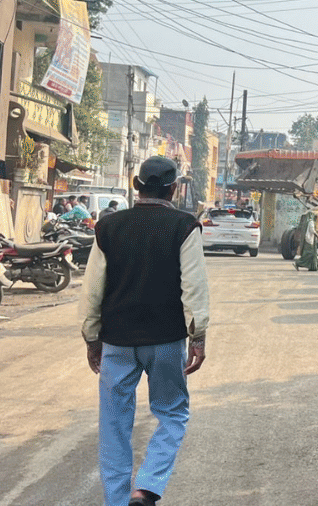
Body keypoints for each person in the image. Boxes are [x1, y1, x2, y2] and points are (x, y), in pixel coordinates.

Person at [81, 156, 210, 506]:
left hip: (117, 341)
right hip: (166, 340)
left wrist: (92, 338)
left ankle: (118, 502)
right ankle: (147, 487)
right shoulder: (184, 226)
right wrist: (197, 337)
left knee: (113, 426)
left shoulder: (109, 227)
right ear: (173, 187)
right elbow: (194, 287)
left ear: (137, 186)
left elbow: (92, 289)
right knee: (172, 413)